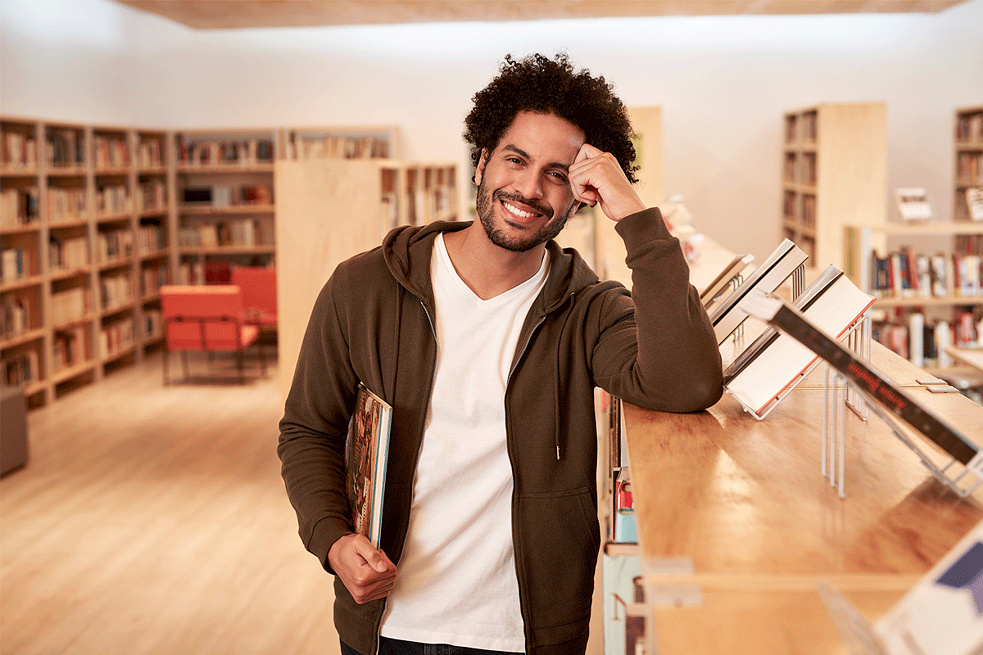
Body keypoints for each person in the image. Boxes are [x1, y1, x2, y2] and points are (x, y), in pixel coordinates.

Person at [278, 52, 723, 655]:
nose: (530, 188)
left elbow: (687, 384)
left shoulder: (589, 310)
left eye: (559, 174)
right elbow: (307, 429)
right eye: (516, 159)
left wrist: (638, 218)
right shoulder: (366, 288)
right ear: (483, 160)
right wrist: (331, 538)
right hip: (386, 626)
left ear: (583, 196)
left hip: (524, 634)